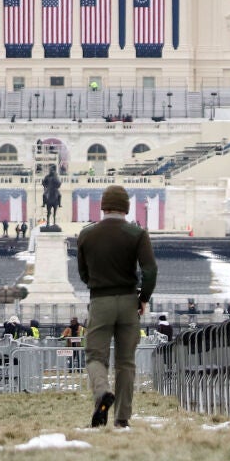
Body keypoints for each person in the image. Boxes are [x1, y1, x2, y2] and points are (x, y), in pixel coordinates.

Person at [76, 184, 157, 429]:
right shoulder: (137, 234)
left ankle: (102, 392)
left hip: (100, 301)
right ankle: (122, 418)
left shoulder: (86, 234)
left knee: (94, 355)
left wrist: (97, 284)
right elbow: (150, 270)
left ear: (103, 206)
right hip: (128, 302)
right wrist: (143, 297)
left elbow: (82, 273)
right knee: (126, 361)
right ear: (126, 207)